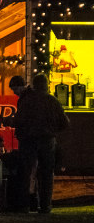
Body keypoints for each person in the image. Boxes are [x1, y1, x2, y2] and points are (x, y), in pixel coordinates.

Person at [10, 74, 68, 214]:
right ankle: (45, 206)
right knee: (47, 173)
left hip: (28, 140)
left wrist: (11, 123)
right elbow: (65, 122)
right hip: (47, 140)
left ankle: (24, 206)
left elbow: (18, 121)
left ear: (34, 85)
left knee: (26, 172)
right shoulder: (53, 100)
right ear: (46, 85)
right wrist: (53, 131)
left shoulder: (27, 100)